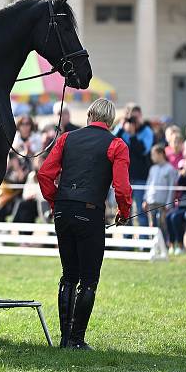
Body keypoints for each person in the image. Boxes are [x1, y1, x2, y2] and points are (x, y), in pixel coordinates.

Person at [39, 98, 132, 350]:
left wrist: (54, 202)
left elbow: (44, 173)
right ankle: (76, 339)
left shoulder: (67, 138)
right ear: (111, 120)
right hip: (90, 213)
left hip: (63, 210)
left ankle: (64, 338)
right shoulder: (116, 144)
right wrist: (124, 213)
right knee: (88, 279)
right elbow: (122, 188)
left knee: (69, 275)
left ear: (89, 114)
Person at [114, 103, 153, 227]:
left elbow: (144, 150)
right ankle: (126, 243)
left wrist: (132, 135)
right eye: (131, 118)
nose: (134, 121)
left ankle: (143, 242)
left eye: (136, 118)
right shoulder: (122, 130)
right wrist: (121, 126)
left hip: (140, 176)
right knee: (124, 211)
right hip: (124, 177)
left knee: (141, 211)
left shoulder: (146, 130)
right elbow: (110, 142)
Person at [143, 145, 177, 228]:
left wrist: (168, 204)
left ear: (161, 154)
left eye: (153, 155)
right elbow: (148, 184)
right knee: (151, 225)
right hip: (151, 201)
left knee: (162, 225)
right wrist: (145, 199)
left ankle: (165, 241)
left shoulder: (170, 169)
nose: (152, 157)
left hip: (163, 203)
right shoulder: (152, 169)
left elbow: (171, 188)